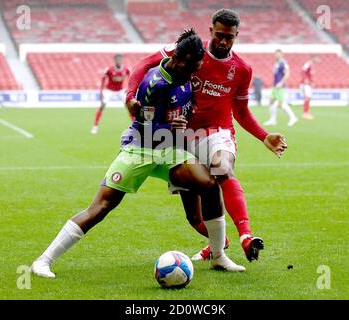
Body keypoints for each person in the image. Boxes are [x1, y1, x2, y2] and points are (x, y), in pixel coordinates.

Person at [31, 30, 246, 278]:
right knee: (101, 206)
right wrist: (171, 127)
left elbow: (185, 112)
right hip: (140, 148)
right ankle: (43, 261)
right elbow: (145, 125)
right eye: (192, 67)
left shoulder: (186, 76)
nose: (195, 73)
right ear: (180, 59)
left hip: (168, 150)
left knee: (209, 184)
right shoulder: (155, 83)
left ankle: (218, 256)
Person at [126, 9, 288, 262]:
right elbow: (142, 65)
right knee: (194, 217)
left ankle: (246, 237)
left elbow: (241, 111)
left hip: (218, 132)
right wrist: (130, 97)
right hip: (181, 137)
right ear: (210, 31)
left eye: (230, 38)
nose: (224, 42)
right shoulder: (191, 51)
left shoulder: (242, 70)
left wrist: (263, 136)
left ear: (236, 35)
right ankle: (219, 242)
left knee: (222, 168)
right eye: (219, 35)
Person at [91, 53, 131, 134]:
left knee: (129, 106)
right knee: (102, 106)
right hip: (109, 90)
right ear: (115, 60)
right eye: (117, 59)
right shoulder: (109, 69)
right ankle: (95, 126)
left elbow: (131, 78)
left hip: (120, 90)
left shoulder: (126, 69)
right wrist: (101, 92)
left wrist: (129, 88)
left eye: (120, 59)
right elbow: (103, 79)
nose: (119, 61)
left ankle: (134, 125)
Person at [264, 49, 298, 127]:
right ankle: (273, 120)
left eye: (278, 54)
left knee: (281, 104)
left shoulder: (283, 63)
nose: (277, 55)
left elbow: (287, 74)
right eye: (276, 54)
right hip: (275, 86)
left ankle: (293, 118)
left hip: (280, 87)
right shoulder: (276, 63)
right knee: (271, 102)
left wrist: (281, 83)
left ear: (282, 54)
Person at [301, 54, 318, 120]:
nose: (317, 60)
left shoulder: (312, 65)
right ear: (313, 58)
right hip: (305, 84)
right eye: (316, 58)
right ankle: (305, 113)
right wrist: (305, 79)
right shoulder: (308, 64)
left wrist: (312, 82)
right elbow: (303, 71)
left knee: (308, 98)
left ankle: (306, 112)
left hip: (308, 84)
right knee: (307, 97)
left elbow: (310, 75)